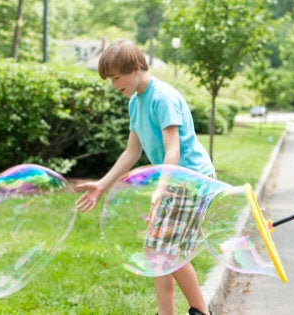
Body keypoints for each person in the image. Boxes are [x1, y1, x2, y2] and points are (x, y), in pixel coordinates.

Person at [76, 38, 213, 315]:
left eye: (117, 77)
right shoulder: (135, 103)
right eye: (110, 79)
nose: (114, 85)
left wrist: (160, 188)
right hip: (172, 180)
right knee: (155, 251)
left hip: (191, 179)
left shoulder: (162, 98)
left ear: (137, 67)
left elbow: (172, 148)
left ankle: (201, 311)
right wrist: (102, 185)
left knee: (167, 252)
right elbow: (132, 151)